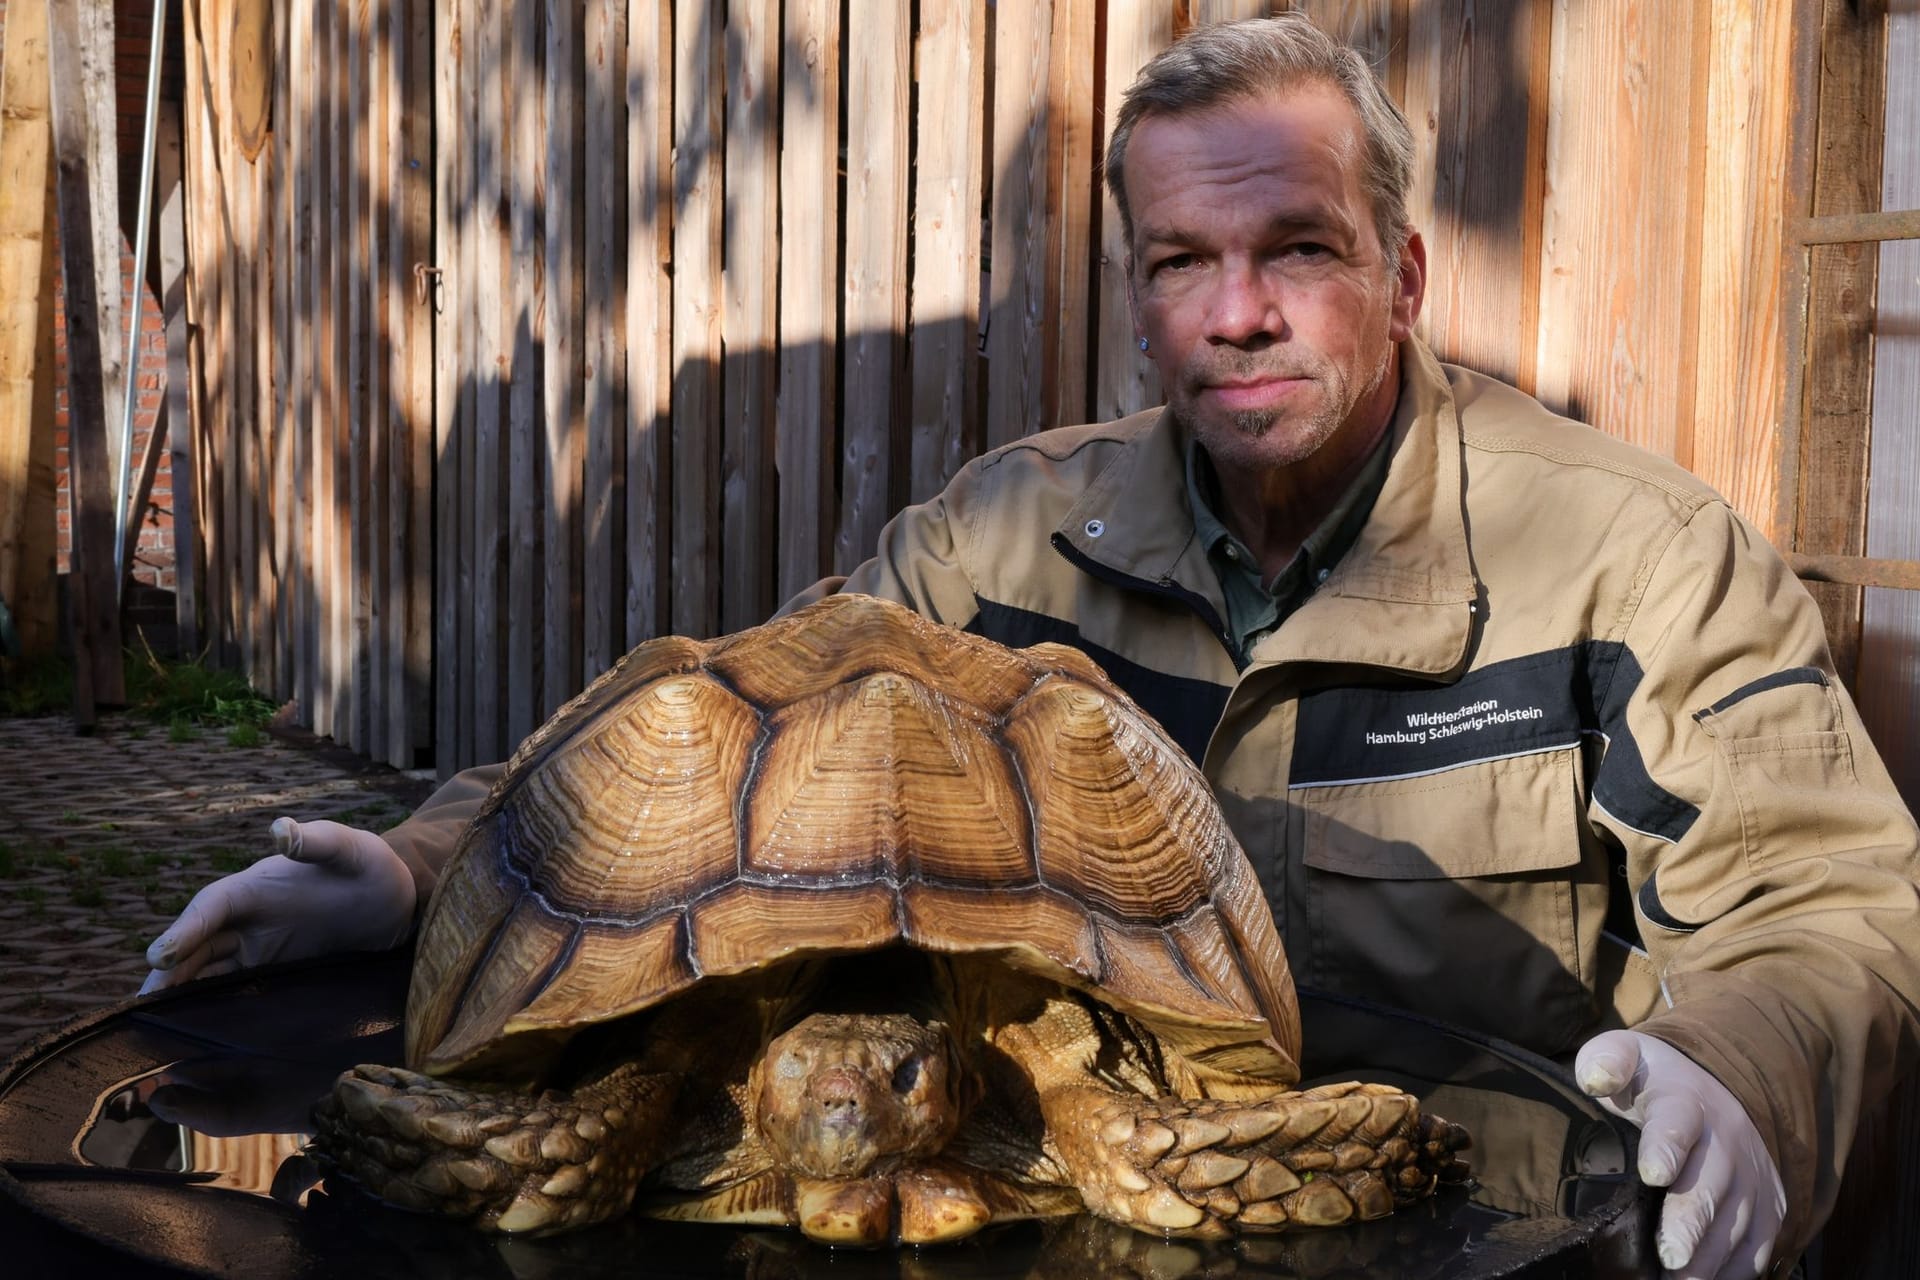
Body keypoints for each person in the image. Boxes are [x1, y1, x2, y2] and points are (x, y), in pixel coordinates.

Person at [140, 15, 1919, 1279]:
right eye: (1179, 261)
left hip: (1459, 1231)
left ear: (1404, 268)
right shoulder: (1003, 546)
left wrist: (1744, 1070)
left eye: (1297, 247)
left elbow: (1829, 908)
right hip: (1045, 1216)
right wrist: (420, 861)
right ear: (1139, 291)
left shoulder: (1629, 560)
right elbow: (703, 732)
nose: (1235, 311)